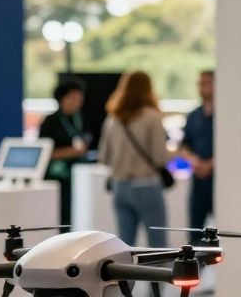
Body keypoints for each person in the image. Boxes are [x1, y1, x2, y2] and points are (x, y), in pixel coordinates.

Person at [98, 71, 170, 254]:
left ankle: (125, 274)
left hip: (120, 187)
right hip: (146, 186)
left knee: (124, 246)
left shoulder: (113, 119)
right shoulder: (152, 117)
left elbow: (104, 157)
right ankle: (158, 275)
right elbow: (160, 157)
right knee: (158, 245)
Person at [38, 78, 88, 225]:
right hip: (57, 177)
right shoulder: (50, 122)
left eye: (79, 99)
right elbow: (45, 152)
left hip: (78, 175)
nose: (77, 102)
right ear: (62, 99)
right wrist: (71, 152)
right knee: (60, 214)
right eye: (73, 98)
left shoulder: (80, 119)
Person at [180, 70, 214, 241]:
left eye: (206, 83)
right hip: (198, 181)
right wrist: (193, 161)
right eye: (200, 83)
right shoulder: (194, 115)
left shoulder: (225, 116)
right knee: (194, 232)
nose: (202, 87)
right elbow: (184, 146)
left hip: (218, 180)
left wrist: (211, 164)